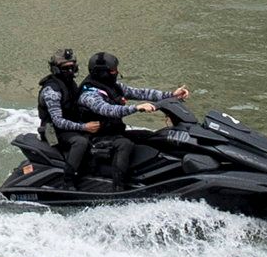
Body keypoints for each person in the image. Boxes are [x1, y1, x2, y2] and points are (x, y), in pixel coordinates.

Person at [75, 50, 190, 188]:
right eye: (113, 71)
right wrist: (136, 108)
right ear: (102, 73)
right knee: (125, 145)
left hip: (114, 133)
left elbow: (140, 92)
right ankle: (118, 188)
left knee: (151, 137)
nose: (116, 72)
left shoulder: (113, 86)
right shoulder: (89, 94)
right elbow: (109, 110)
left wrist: (171, 95)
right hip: (96, 138)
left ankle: (160, 175)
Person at [32, 47, 108, 181]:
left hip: (71, 126)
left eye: (72, 67)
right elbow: (58, 121)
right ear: (56, 69)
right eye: (65, 68)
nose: (70, 71)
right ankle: (68, 179)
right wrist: (84, 127)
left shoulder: (70, 84)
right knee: (80, 142)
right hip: (54, 131)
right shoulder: (52, 91)